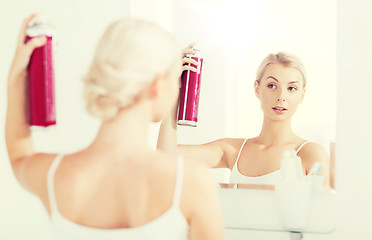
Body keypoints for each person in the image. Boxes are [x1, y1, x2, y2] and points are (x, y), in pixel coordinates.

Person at [6, 14, 224, 240]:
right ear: (157, 85)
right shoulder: (191, 181)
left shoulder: (54, 174)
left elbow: (18, 155)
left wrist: (16, 79)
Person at [158, 44, 331, 190]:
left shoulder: (311, 154)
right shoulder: (233, 151)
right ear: (257, 88)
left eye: (291, 88)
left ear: (302, 95)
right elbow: (165, 157)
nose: (281, 96)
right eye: (272, 85)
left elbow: (324, 218)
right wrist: (173, 90)